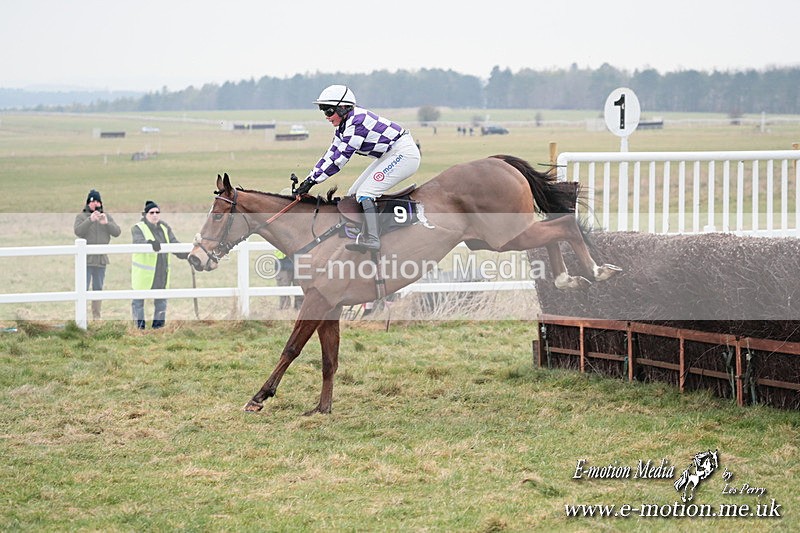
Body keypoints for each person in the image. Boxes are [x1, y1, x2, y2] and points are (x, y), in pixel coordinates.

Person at [294, 85, 421, 253]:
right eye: (323, 111)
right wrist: (309, 179)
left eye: (328, 111)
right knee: (354, 195)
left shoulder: (357, 121)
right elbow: (330, 154)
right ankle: (362, 233)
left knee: (366, 193)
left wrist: (314, 181)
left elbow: (340, 159)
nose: (326, 116)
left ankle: (374, 239)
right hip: (390, 154)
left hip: (404, 154)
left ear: (343, 108)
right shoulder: (344, 126)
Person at [131, 200, 188, 329]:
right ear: (145, 214)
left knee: (161, 302)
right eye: (151, 212)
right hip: (144, 275)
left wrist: (187, 254)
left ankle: (158, 328)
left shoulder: (164, 228)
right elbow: (138, 242)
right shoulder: (138, 228)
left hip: (162, 272)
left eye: (157, 212)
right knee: (138, 302)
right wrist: (150, 243)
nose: (155, 215)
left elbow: (174, 243)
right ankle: (139, 328)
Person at [73, 189, 121, 320]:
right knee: (83, 289)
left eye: (98, 201)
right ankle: (82, 318)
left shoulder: (106, 217)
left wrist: (106, 224)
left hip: (101, 260)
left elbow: (117, 232)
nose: (96, 204)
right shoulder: (81, 217)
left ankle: (96, 318)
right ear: (88, 203)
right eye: (93, 201)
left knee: (98, 289)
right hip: (86, 261)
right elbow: (78, 231)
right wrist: (90, 220)